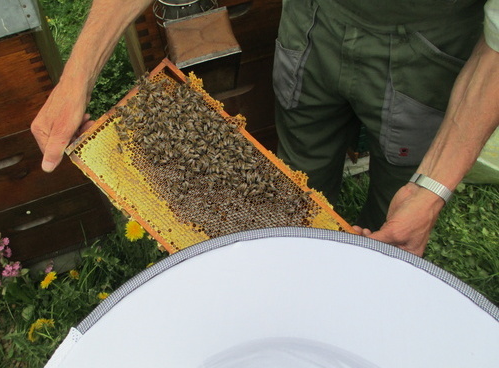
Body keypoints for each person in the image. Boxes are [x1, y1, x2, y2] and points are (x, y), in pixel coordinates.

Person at [31, 0, 499, 257]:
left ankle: (369, 268)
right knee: (295, 176)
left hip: (432, 46)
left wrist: (432, 186)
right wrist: (75, 78)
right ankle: (295, 255)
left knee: (397, 203)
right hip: (313, 18)